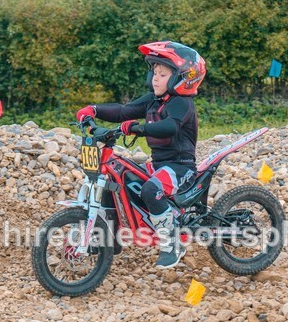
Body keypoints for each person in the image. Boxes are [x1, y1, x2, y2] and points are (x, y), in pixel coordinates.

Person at [76, 41, 206, 269]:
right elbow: (123, 111)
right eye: (154, 73)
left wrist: (138, 128)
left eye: (162, 74)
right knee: (115, 180)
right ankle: (110, 237)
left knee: (150, 189)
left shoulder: (181, 104)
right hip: (159, 165)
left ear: (183, 77)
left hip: (180, 167)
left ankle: (172, 243)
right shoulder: (154, 101)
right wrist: (93, 110)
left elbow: (170, 127)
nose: (155, 78)